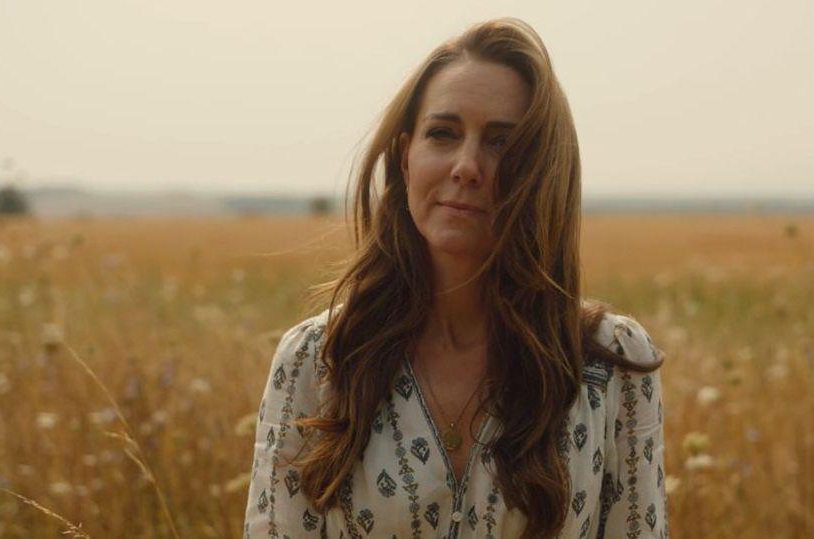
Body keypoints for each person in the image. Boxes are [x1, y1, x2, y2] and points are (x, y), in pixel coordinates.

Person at [243, 17, 668, 539]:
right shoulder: (317, 360)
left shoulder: (610, 363)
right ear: (405, 158)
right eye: (443, 134)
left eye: (501, 142)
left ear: (543, 170)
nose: (467, 166)